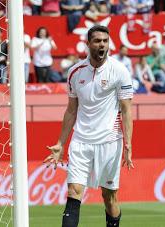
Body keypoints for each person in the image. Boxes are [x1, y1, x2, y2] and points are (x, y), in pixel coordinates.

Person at [44, 25, 134, 227]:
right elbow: (71, 110)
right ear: (88, 44)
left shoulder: (119, 71)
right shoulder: (75, 72)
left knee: (109, 196)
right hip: (81, 141)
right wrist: (60, 143)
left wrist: (128, 143)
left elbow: (127, 110)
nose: (102, 45)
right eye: (97, 41)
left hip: (110, 141)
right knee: (74, 192)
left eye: (105, 41)